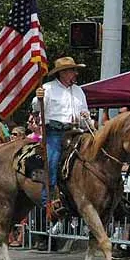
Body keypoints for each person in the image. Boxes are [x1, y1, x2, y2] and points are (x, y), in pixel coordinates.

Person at [34, 56, 92, 216]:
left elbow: (85, 112)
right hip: (55, 132)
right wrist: (38, 98)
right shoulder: (47, 88)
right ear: (63, 73)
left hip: (77, 131)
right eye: (73, 71)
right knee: (52, 161)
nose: (76, 74)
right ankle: (49, 199)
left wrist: (86, 117)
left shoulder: (79, 91)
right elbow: (37, 108)